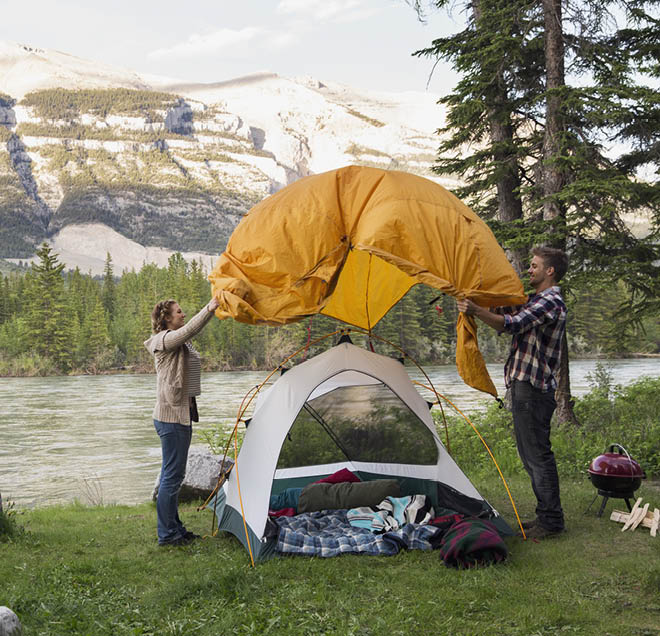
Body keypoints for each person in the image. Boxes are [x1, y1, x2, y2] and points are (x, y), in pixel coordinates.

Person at [456, 246, 568, 540]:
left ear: (549, 271)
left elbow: (513, 324)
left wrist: (476, 310)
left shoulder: (551, 300)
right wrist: (481, 299)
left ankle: (552, 522)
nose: (529, 270)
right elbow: (508, 310)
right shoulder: (536, 300)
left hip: (532, 388)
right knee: (530, 454)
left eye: (534, 266)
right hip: (525, 386)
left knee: (537, 455)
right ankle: (546, 515)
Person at [144, 296, 220, 546]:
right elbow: (191, 329)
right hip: (171, 418)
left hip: (180, 416)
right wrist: (211, 307)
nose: (183, 314)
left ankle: (175, 528)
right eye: (178, 312)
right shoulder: (163, 340)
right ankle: (167, 535)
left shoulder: (178, 342)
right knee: (172, 476)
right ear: (166, 318)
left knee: (174, 475)